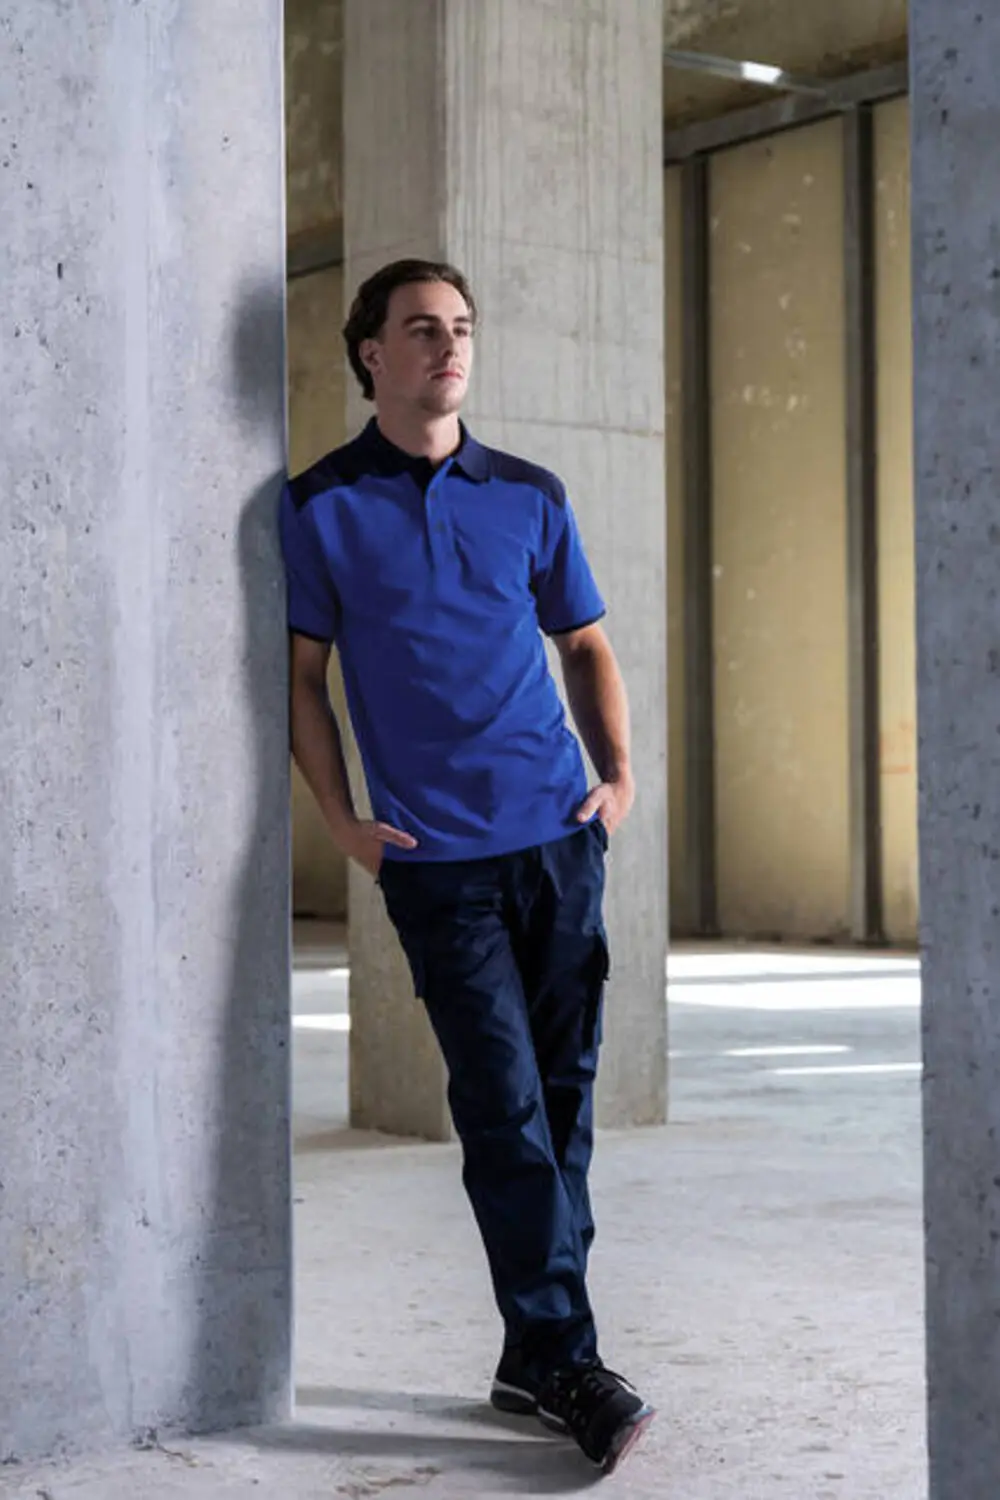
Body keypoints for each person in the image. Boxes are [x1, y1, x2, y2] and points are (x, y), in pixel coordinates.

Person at [280, 259, 655, 1475]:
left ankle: (533, 1355)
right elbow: (300, 679)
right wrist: (341, 819)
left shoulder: (529, 494)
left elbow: (584, 644)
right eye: (420, 329)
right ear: (371, 355)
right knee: (502, 1108)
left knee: (561, 1106)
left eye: (461, 328)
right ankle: (568, 1362)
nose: (448, 346)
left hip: (558, 838)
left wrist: (615, 780)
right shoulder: (320, 506)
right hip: (437, 863)